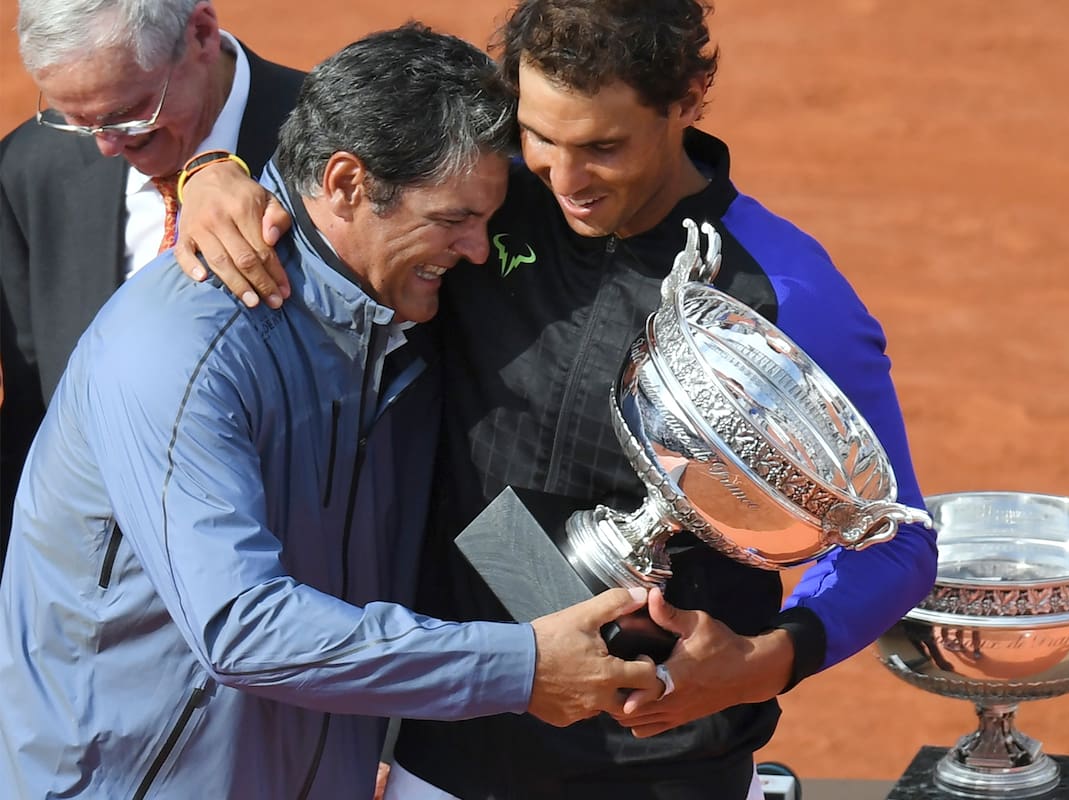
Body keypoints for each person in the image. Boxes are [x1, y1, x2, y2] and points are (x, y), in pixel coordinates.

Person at [176, 2, 939, 797]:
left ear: (687, 100)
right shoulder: (483, 193)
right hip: (445, 746)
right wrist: (214, 171)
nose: (565, 180)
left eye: (603, 147)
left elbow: (896, 537)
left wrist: (761, 663)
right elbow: (343, 147)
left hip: (658, 768)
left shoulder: (782, 290)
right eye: (540, 137)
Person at [0, 23, 661, 799]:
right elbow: (241, 627)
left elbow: (460, 499)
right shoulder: (181, 350)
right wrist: (522, 667)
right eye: (453, 222)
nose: (481, 253)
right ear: (346, 184)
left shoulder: (400, 313)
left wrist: (605, 638)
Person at [0, 0, 304, 570]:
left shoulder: (337, 147)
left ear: (202, 34)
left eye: (131, 110)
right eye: (77, 117)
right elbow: (32, 417)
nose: (107, 145)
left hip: (289, 575)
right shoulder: (29, 168)